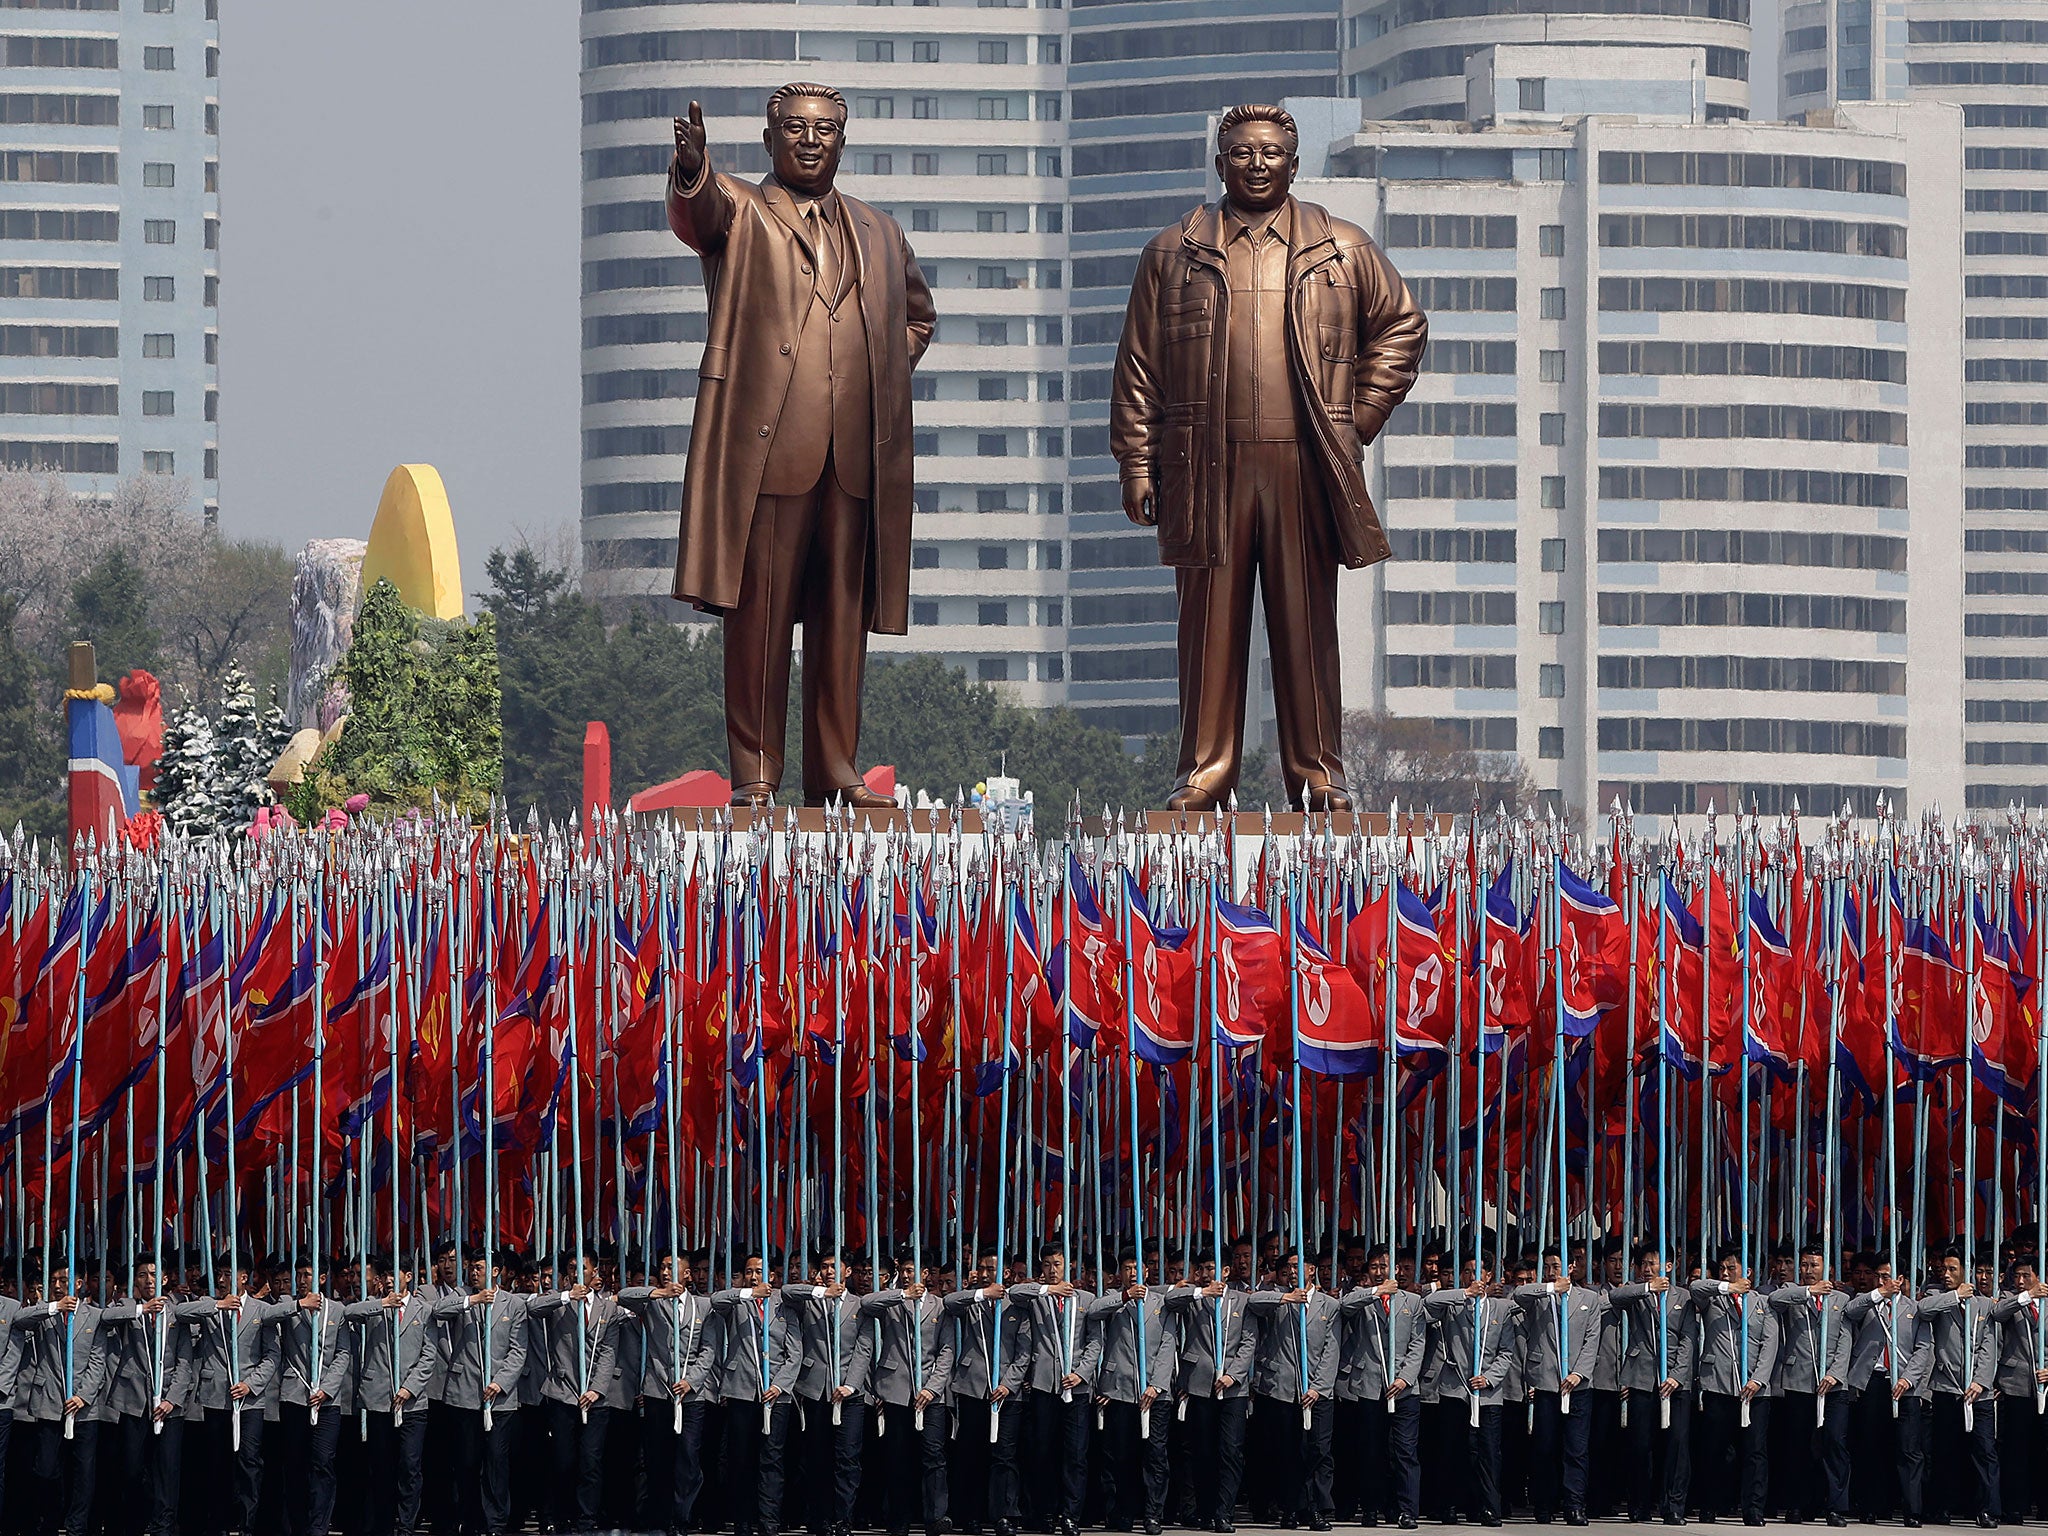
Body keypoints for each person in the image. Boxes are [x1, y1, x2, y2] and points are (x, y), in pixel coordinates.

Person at [1108, 102, 1427, 812]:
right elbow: (1138, 368)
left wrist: (1356, 421)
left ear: (1294, 162)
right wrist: (1136, 464)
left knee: (1306, 626)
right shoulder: (1173, 251)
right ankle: (1205, 770)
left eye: (1270, 152)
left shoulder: (1341, 248)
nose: (1256, 164)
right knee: (1208, 630)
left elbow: (1403, 326)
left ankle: (1318, 773)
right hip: (1204, 466)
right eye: (1242, 152)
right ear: (1219, 162)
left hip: (1304, 464)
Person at [663, 83, 937, 808]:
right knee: (759, 620)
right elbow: (700, 214)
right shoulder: (745, 211)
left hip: (854, 459)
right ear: (769, 141)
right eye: (794, 129)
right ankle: (756, 772)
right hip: (770, 451)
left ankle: (835, 768)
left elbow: (917, 318)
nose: (810, 141)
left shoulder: (879, 231)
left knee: (842, 619)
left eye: (823, 131)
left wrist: (879, 375)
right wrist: (692, 173)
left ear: (843, 142)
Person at [620, 1252, 724, 1536]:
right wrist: (658, 1292)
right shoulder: (652, 1303)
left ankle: (683, 1515)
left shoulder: (703, 1306)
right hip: (658, 1389)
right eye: (663, 1267)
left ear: (687, 1274)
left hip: (692, 1394)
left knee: (688, 1457)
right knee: (658, 1457)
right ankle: (661, 1517)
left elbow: (709, 1350)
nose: (666, 1272)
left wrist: (691, 1381)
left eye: (671, 1268)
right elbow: (624, 1296)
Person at [1164, 1238, 1260, 1532]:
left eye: (1213, 1267)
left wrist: (1234, 1374)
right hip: (1199, 1383)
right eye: (1204, 1268)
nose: (1208, 1272)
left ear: (1227, 1270)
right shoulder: (1195, 1297)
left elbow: (1249, 1340)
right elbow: (1169, 1301)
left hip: (1232, 1386)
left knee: (1230, 1450)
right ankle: (1205, 1510)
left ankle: (1224, 1512)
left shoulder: (1243, 1300)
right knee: (1202, 1450)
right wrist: (1198, 1291)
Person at [431, 1252, 529, 1536]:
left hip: (500, 1398)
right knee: (466, 1461)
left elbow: (517, 1349)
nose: (473, 1272)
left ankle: (495, 1521)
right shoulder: (463, 1297)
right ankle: (468, 1518)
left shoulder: (513, 1303)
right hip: (465, 1393)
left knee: (497, 1461)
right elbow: (438, 1311)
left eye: (480, 1268)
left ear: (496, 1271)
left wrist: (500, 1382)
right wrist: (471, 1300)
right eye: (472, 1268)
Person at [343, 1255, 439, 1536]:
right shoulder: (375, 1307)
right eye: (384, 1276)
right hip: (378, 1397)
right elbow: (350, 1314)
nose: (388, 1280)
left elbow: (429, 1354)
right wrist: (382, 1303)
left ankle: (407, 1523)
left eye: (393, 1274)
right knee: (381, 1466)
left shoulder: (424, 1310)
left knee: (410, 1465)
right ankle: (383, 1523)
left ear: (408, 1276)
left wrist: (410, 1387)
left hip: (412, 1402)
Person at [525, 1255, 621, 1535]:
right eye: (571, 1269)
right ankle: (555, 1515)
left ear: (594, 1272)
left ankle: (586, 1518)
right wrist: (567, 1296)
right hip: (562, 1393)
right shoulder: (558, 1301)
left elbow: (608, 1351)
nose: (577, 1272)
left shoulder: (607, 1308)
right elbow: (534, 1308)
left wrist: (597, 1389)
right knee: (561, 1460)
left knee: (591, 1462)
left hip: (595, 1396)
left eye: (583, 1268)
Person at [861, 1253, 955, 1536]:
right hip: (896, 1389)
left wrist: (932, 1387)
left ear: (926, 1273)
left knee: (933, 1456)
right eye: (902, 1270)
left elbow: (947, 1350)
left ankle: (935, 1516)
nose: (905, 1274)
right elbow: (867, 1303)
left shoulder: (940, 1306)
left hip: (930, 1391)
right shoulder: (892, 1300)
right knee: (897, 1456)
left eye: (911, 1270)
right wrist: (902, 1294)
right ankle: (898, 1517)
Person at [1009, 1245, 1101, 1536]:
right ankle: (1044, 1512)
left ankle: (1071, 1514)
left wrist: (1081, 1373)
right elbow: (1013, 1293)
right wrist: (1046, 1290)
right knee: (1042, 1451)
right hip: (1044, 1385)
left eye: (1057, 1264)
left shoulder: (1085, 1299)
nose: (1052, 1270)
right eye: (1047, 1264)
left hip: (1076, 1387)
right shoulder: (1037, 1297)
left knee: (1075, 1454)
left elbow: (1094, 1342)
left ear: (1068, 1266)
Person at [1420, 1257, 1517, 1527]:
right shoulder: (1453, 1303)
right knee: (1451, 1450)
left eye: (1478, 1272)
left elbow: (1506, 1352)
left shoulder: (1501, 1308)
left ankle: (1488, 1507)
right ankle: (1448, 1505)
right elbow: (1428, 1304)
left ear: (1488, 1276)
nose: (1473, 1276)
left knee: (1488, 1452)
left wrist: (1489, 1378)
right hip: (1455, 1387)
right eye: (1467, 1272)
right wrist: (1465, 1293)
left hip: (1488, 1392)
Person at [1248, 1252, 1341, 1531]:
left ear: (1311, 1269)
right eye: (1287, 1266)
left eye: (1297, 1266)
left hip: (1316, 1390)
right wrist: (1285, 1297)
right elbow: (1253, 1301)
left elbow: (1331, 1350)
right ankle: (1291, 1506)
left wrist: (1318, 1387)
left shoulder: (1330, 1304)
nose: (1292, 1270)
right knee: (1288, 1451)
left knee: (1318, 1451)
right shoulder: (1277, 1298)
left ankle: (1315, 1508)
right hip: (1285, 1389)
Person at [781, 1251, 871, 1536]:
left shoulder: (860, 1304)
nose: (829, 1270)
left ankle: (843, 1518)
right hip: (816, 1389)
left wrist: (851, 1384)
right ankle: (818, 1518)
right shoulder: (811, 1299)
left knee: (847, 1458)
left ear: (847, 1271)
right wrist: (821, 1291)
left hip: (849, 1392)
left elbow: (864, 1347)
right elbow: (786, 1290)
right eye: (824, 1266)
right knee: (816, 1457)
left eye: (835, 1266)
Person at [712, 1252, 801, 1536]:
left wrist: (779, 1385)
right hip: (742, 1389)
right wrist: (747, 1293)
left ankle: (769, 1520)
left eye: (760, 1271)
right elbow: (716, 1301)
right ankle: (742, 1520)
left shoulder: (783, 1306)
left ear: (773, 1275)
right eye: (749, 1271)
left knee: (771, 1459)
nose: (754, 1276)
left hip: (776, 1393)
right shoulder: (739, 1301)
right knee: (740, 1457)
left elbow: (794, 1353)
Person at [1088, 1252, 1178, 1535]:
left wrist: (1157, 1384)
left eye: (1138, 1268)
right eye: (1128, 1269)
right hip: (1120, 1388)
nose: (1134, 1273)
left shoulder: (1161, 1303)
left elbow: (1168, 1343)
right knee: (1120, 1456)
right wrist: (1125, 1296)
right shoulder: (1113, 1299)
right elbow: (1093, 1312)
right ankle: (1121, 1512)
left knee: (1155, 1456)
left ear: (1148, 1272)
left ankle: (1153, 1513)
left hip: (1155, 1392)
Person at [1512, 1250, 1605, 1525]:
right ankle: (1544, 1504)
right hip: (1546, 1382)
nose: (1552, 1271)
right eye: (1548, 1266)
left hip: (1578, 1385)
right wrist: (1551, 1287)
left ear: (1572, 1266)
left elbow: (1592, 1340)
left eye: (1557, 1266)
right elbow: (1519, 1296)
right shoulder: (1539, 1296)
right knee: (1545, 1447)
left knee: (1576, 1449)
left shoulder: (1589, 1299)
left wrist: (1579, 1373)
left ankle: (1574, 1504)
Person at [1690, 1249, 1780, 1526]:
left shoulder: (1763, 1302)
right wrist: (1726, 1287)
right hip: (1719, 1383)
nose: (1726, 1273)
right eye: (1723, 1270)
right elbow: (1695, 1287)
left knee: (1755, 1451)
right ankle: (1710, 1504)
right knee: (1715, 1449)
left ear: (1749, 1272)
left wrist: (1758, 1379)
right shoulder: (1713, 1298)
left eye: (1732, 1269)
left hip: (1754, 1388)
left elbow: (1770, 1343)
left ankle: (1752, 1507)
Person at [1337, 1245, 1425, 1529]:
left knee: (1405, 1451)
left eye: (1383, 1266)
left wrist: (1404, 1378)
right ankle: (1371, 1507)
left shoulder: (1413, 1301)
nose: (1378, 1272)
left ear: (1396, 1269)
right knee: (1371, 1450)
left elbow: (1417, 1343)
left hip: (1404, 1388)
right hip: (1370, 1385)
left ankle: (1406, 1509)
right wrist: (1377, 1292)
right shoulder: (1363, 1299)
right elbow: (1344, 1306)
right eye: (1373, 1267)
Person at [1768, 1242, 1854, 1525]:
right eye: (1803, 1265)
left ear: (1827, 1268)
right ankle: (1796, 1504)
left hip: (1833, 1385)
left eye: (1814, 1265)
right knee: (1798, 1446)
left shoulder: (1841, 1299)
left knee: (1834, 1444)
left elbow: (1846, 1339)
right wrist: (1808, 1292)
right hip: (1799, 1381)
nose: (1807, 1271)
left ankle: (1835, 1506)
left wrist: (1835, 1373)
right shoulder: (1792, 1295)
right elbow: (1774, 1302)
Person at [1614, 1247, 1695, 1526]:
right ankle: (1638, 1504)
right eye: (1642, 1264)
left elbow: (1689, 1339)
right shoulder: (1637, 1292)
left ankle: (1673, 1506)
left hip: (1675, 1381)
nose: (1646, 1268)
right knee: (1640, 1445)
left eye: (1652, 1263)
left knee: (1677, 1445)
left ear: (1669, 1266)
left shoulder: (1683, 1297)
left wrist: (1677, 1375)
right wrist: (1647, 1287)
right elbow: (1615, 1297)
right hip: (1642, 1377)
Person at [1919, 1249, 2000, 1526]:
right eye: (1944, 1269)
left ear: (1966, 1270)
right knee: (1945, 1451)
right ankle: (1941, 1506)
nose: (1947, 1274)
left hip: (1980, 1391)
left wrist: (1980, 1380)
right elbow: (1923, 1310)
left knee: (1984, 1450)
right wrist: (1955, 1295)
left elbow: (1989, 1346)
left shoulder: (1984, 1304)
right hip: (1947, 1387)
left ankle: (1986, 1508)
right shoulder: (1937, 1297)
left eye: (1953, 1269)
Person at [1845, 1265, 1931, 1525]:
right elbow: (1850, 1311)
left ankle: (1912, 1509)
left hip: (1906, 1385)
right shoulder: (1868, 1303)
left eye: (1887, 1276)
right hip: (1873, 1380)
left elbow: (1924, 1347)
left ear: (1901, 1279)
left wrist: (1908, 1378)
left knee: (1908, 1448)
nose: (1881, 1280)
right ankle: (1871, 1505)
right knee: (1871, 1445)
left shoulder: (1915, 1309)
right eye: (1879, 1275)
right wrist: (1879, 1292)